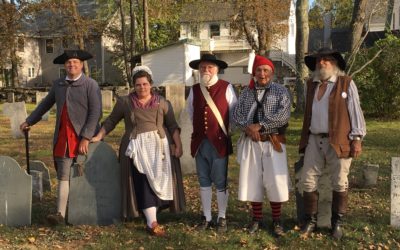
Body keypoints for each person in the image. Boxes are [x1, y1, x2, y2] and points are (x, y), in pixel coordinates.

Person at [91, 66, 184, 237]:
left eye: (145, 84)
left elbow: (172, 125)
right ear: (133, 85)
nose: (142, 87)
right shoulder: (125, 103)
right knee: (142, 182)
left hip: (159, 148)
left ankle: (152, 215)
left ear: (151, 84)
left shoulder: (162, 102)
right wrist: (98, 136)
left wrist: (178, 145)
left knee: (159, 180)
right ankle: (152, 222)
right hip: (136, 148)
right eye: (138, 84)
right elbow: (111, 121)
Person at [20, 50, 102, 225]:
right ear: (65, 66)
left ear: (81, 65)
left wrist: (87, 137)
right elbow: (45, 104)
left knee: (85, 176)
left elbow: (96, 112)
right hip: (64, 138)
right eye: (68, 63)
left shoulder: (90, 84)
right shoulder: (58, 84)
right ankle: (60, 214)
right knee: (63, 175)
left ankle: (88, 211)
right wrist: (29, 121)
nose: (71, 65)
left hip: (84, 138)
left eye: (75, 62)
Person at [299, 47, 366, 240]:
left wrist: (357, 138)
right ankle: (310, 221)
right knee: (308, 180)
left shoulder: (346, 83)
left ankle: (337, 224)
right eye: (319, 60)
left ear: (335, 64)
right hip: (313, 139)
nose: (322, 63)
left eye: (327, 60)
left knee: (339, 181)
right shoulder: (311, 84)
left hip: (339, 140)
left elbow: (355, 111)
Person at [233, 55, 291, 237]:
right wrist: (249, 128)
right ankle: (256, 219)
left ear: (272, 73)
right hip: (252, 142)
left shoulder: (281, 91)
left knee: (275, 182)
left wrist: (262, 125)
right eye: (259, 70)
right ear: (254, 73)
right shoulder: (245, 93)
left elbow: (284, 115)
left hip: (273, 142)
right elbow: (236, 115)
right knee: (253, 181)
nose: (262, 74)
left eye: (266, 70)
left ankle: (277, 220)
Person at [187, 53, 237, 233]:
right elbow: (191, 113)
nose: (206, 70)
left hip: (219, 142)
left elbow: (233, 114)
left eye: (209, 67)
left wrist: (225, 133)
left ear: (216, 69)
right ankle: (206, 217)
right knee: (204, 180)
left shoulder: (226, 87)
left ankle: (222, 216)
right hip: (200, 142)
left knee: (220, 181)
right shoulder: (193, 90)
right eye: (202, 68)